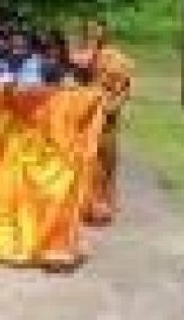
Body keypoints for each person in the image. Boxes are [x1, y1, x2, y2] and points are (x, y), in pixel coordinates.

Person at [71, 19, 133, 225]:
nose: (93, 34)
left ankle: (106, 205)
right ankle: (88, 205)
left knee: (106, 160)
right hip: (86, 115)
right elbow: (75, 79)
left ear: (106, 32)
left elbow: (125, 89)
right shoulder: (82, 56)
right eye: (89, 30)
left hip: (107, 116)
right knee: (87, 160)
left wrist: (112, 107)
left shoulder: (118, 59)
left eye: (97, 30)